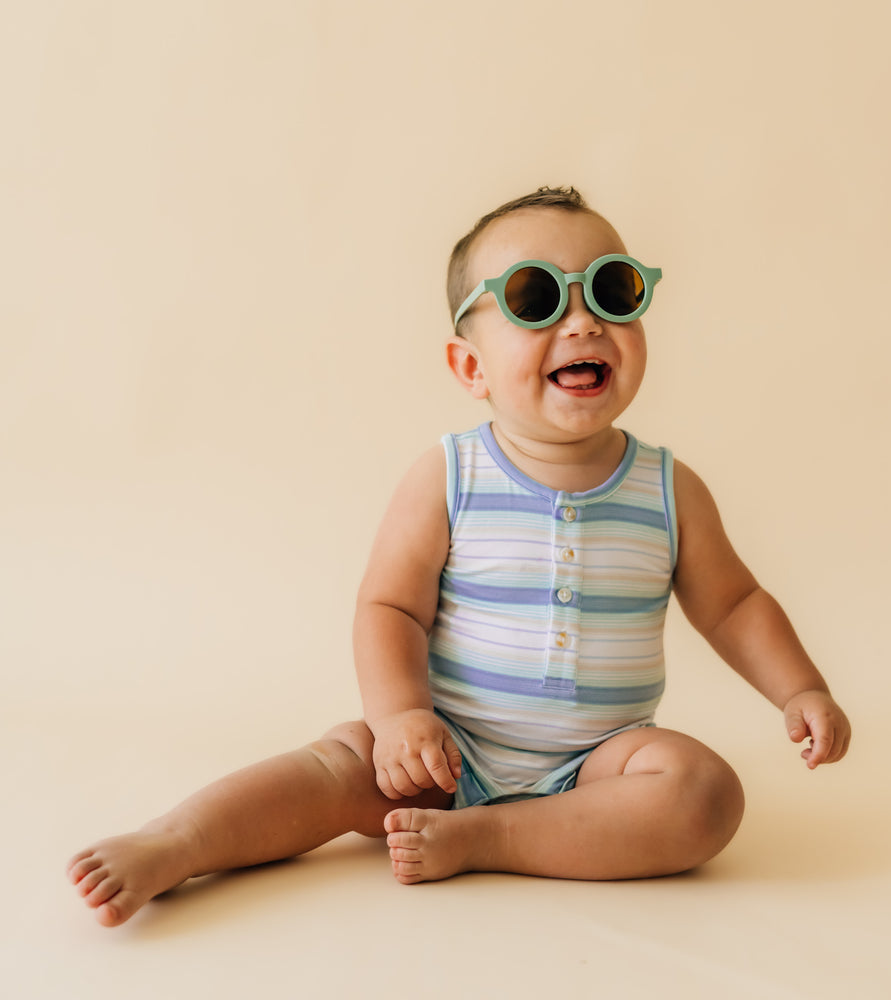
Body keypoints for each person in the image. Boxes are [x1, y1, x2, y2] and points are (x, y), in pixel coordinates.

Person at [67, 186, 850, 927]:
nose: (582, 323)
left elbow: (734, 604)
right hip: (443, 755)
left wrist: (798, 688)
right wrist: (401, 718)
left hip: (598, 771)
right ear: (470, 368)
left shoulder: (668, 488)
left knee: (704, 793)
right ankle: (177, 842)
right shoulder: (451, 475)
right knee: (336, 763)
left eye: (612, 291)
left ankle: (494, 839)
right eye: (536, 300)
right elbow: (389, 607)